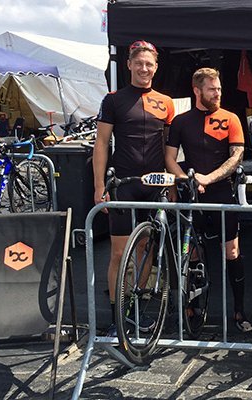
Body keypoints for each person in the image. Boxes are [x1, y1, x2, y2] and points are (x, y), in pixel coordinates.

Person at [92, 40, 176, 336]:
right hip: (124, 184)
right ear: (128, 65)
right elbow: (101, 143)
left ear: (156, 67)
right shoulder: (113, 100)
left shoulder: (166, 102)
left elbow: (170, 148)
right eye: (138, 63)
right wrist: (99, 185)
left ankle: (137, 308)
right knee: (118, 253)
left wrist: (173, 179)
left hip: (153, 185)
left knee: (146, 246)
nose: (144, 68)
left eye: (149, 64)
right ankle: (118, 316)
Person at [164, 67, 252, 332]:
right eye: (212, 89)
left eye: (219, 89)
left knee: (232, 251)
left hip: (221, 192)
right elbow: (169, 157)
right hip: (192, 192)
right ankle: (192, 308)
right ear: (197, 90)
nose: (217, 93)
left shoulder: (231, 118)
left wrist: (208, 178)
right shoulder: (181, 121)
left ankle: (239, 312)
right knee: (192, 253)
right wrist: (186, 179)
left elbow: (236, 156)